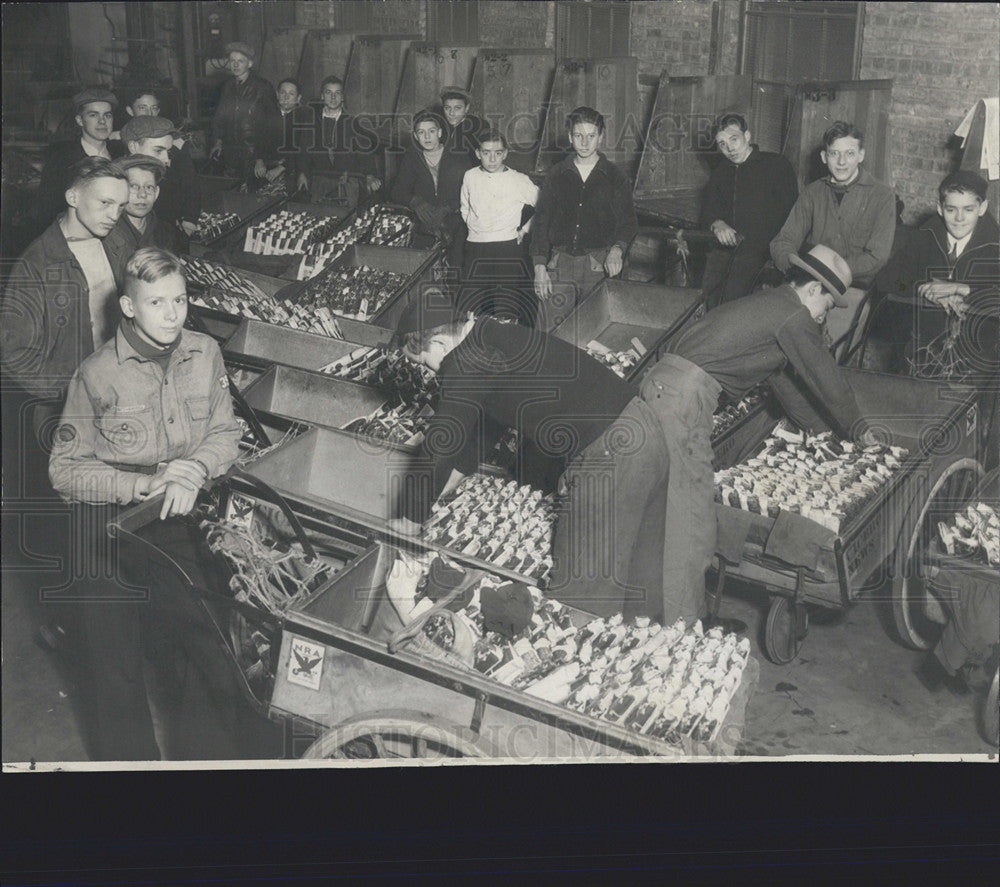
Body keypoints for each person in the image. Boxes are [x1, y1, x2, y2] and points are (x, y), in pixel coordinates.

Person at [47, 247, 245, 760]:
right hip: (106, 528)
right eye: (157, 302)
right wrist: (141, 484)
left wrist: (198, 468)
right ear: (129, 308)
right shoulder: (95, 374)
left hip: (178, 515)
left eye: (179, 299)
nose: (173, 314)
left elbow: (226, 431)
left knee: (204, 650)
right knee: (116, 671)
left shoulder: (204, 352)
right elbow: (64, 471)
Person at [384, 288, 677, 624]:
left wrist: (409, 517)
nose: (431, 373)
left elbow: (442, 441)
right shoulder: (491, 336)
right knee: (641, 574)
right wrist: (447, 483)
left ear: (438, 345)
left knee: (581, 588)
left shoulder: (466, 359)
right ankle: (643, 638)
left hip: (612, 454)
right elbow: (484, 427)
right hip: (645, 431)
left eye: (423, 363)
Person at [650, 245, 879, 624]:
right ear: (813, 290)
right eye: (827, 306)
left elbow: (782, 382)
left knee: (689, 509)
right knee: (691, 514)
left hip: (669, 388)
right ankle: (683, 625)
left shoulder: (769, 305)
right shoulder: (793, 315)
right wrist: (859, 430)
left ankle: (690, 609)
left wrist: (820, 434)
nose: (824, 317)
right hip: (684, 398)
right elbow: (827, 379)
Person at [1, 157, 129, 550]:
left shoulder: (118, 241)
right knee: (75, 526)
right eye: (104, 203)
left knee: (114, 517)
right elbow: (15, 353)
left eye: (120, 206)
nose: (114, 215)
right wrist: (72, 392)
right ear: (73, 196)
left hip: (121, 397)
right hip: (68, 411)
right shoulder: (37, 263)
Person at [770, 120, 896, 349]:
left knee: (828, 356)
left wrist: (829, 275)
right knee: (780, 345)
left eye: (849, 153)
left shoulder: (882, 196)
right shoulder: (812, 192)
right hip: (809, 286)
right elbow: (782, 242)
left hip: (852, 291)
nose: (841, 161)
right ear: (823, 157)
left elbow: (877, 256)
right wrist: (798, 274)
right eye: (834, 153)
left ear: (861, 155)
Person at [875, 170, 999, 374]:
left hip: (978, 358)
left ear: (982, 207)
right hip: (924, 350)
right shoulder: (924, 236)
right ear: (940, 208)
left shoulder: (995, 244)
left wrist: (962, 289)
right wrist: (922, 288)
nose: (959, 218)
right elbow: (886, 278)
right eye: (951, 209)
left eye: (968, 209)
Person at [531, 106, 637, 332]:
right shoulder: (556, 174)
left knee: (595, 333)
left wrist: (618, 249)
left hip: (598, 265)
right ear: (570, 137)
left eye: (591, 136)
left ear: (601, 137)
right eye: (579, 136)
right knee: (549, 332)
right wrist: (540, 268)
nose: (585, 142)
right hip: (560, 263)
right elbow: (540, 223)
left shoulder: (616, 177)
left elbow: (628, 222)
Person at [699, 113, 798, 309]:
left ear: (748, 136)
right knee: (705, 303)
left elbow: (792, 216)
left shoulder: (776, 165)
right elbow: (709, 210)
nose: (729, 148)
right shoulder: (720, 173)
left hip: (763, 251)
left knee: (732, 307)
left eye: (733, 139)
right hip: (727, 250)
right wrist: (717, 223)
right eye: (722, 144)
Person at [458, 130, 539, 325]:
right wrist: (475, 227)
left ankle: (506, 348)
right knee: (471, 304)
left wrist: (525, 229)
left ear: (505, 153)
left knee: (506, 304)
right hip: (476, 246)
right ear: (478, 153)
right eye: (486, 153)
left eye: (498, 153)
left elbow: (545, 207)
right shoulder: (470, 176)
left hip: (507, 248)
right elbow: (465, 207)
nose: (492, 158)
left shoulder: (519, 179)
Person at [34, 87, 127, 235]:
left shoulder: (121, 155)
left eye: (107, 115)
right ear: (79, 120)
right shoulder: (62, 160)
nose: (102, 121)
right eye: (93, 115)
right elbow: (46, 210)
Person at [389, 110, 472, 264]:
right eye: (421, 132)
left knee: (457, 263)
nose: (427, 137)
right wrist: (415, 201)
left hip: (457, 221)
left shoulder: (458, 154)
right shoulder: (412, 156)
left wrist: (448, 207)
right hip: (425, 222)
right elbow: (397, 191)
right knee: (420, 264)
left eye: (431, 131)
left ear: (439, 133)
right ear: (415, 136)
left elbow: (470, 191)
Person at [118, 90, 201, 236]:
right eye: (158, 151)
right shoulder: (116, 185)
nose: (166, 160)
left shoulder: (163, 177)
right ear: (133, 147)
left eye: (168, 152)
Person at [298, 75, 381, 206]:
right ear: (322, 96)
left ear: (342, 97)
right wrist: (302, 173)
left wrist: (370, 176)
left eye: (337, 93)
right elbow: (304, 151)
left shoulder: (353, 123)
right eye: (328, 93)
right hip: (320, 182)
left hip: (347, 182)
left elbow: (364, 154)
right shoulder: (311, 122)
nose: (333, 97)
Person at [209, 42, 281, 187]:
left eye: (240, 61)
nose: (235, 65)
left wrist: (261, 158)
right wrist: (218, 141)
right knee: (230, 193)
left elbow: (273, 125)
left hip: (254, 155)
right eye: (232, 61)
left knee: (252, 196)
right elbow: (219, 118)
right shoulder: (226, 87)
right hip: (230, 154)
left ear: (250, 63)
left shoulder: (263, 87)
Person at [103, 155, 180, 290]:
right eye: (134, 186)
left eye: (149, 187)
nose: (142, 195)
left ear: (156, 193)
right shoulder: (105, 232)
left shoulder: (166, 233)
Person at [438, 85, 487, 162]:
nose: (451, 113)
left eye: (457, 108)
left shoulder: (476, 128)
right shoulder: (440, 127)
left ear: (466, 108)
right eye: (447, 108)